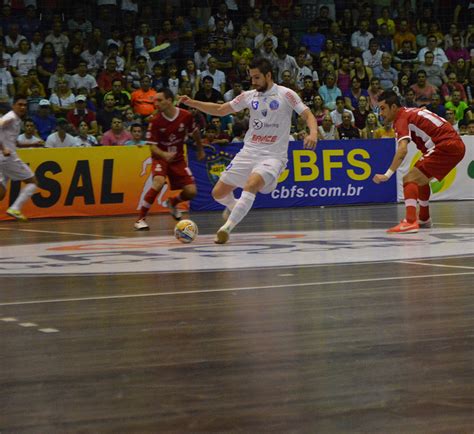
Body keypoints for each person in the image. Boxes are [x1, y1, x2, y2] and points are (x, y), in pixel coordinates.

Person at [178, 58, 318, 244]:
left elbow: (308, 114)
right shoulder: (249, 95)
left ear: (268, 75)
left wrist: (313, 133)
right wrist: (192, 103)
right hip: (248, 152)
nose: (253, 81)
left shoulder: (286, 94)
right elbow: (221, 109)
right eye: (251, 77)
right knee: (217, 193)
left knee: (251, 185)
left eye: (257, 77)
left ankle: (226, 228)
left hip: (273, 156)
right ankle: (236, 207)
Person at [373, 90, 465, 233]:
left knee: (409, 179)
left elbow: (402, 150)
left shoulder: (401, 119)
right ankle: (424, 218)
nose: (380, 113)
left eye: (383, 108)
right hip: (452, 144)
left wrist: (387, 174)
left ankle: (410, 221)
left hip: (445, 145)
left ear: (393, 107)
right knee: (421, 179)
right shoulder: (410, 112)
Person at [134, 88, 205, 231]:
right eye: (154, 101)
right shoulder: (154, 121)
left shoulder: (186, 116)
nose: (156, 104)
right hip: (160, 157)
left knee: (191, 192)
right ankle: (140, 219)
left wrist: (200, 149)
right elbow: (152, 147)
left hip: (178, 158)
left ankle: (173, 202)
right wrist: (164, 155)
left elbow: (194, 132)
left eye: (159, 100)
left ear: (169, 100)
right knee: (158, 183)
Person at [0, 95, 38, 221]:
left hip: (3, 158)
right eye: (20, 104)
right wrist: (3, 148)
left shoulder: (17, 120)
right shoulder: (10, 117)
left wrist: (33, 144)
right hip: (7, 157)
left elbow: (14, 142)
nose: (22, 107)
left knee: (1, 193)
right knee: (32, 182)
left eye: (25, 105)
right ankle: (15, 208)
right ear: (13, 106)